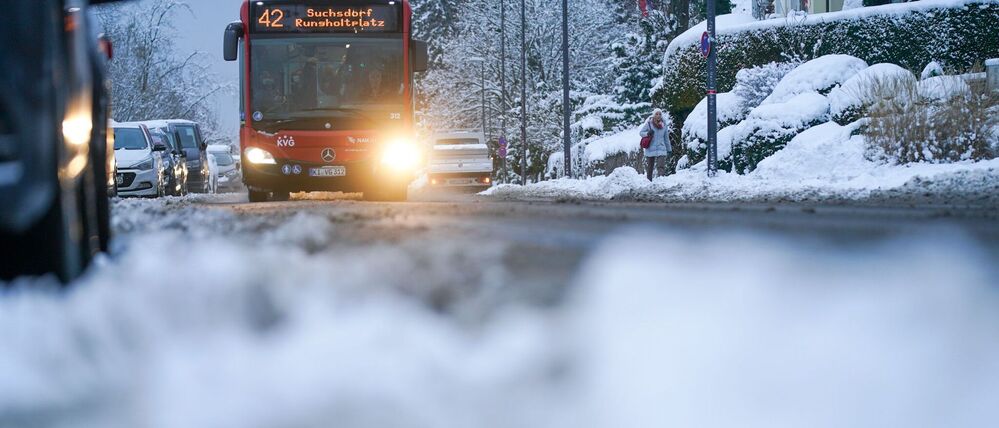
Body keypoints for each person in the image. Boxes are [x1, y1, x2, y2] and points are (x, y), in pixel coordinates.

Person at [639, 108, 671, 180]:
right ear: (654, 115)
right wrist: (647, 133)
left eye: (660, 114)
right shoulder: (649, 124)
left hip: (661, 147)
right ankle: (648, 181)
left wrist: (669, 149)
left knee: (661, 166)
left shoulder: (664, 125)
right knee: (650, 167)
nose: (658, 115)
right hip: (650, 148)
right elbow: (641, 133)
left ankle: (661, 180)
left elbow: (666, 138)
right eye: (656, 114)